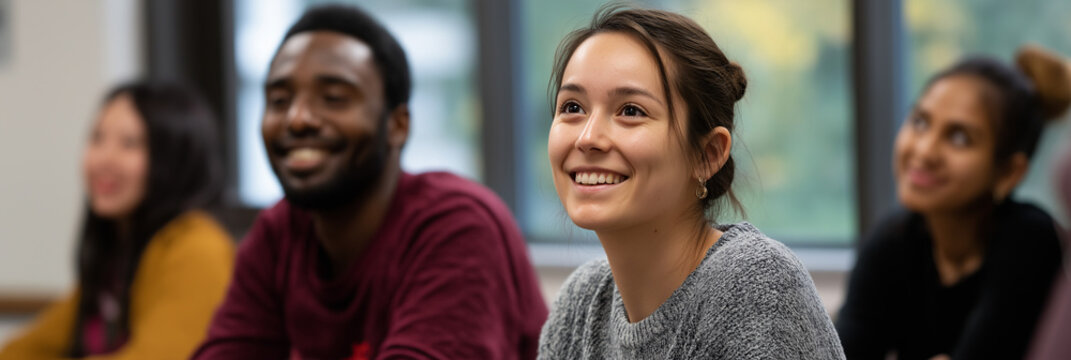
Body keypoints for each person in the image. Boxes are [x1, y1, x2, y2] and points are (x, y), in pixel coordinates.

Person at [193, 4, 547, 360]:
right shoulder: (279, 232)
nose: (298, 119)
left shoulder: (458, 226)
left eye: (333, 98)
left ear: (398, 125)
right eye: (279, 100)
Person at [537, 6, 844, 359]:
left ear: (708, 155)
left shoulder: (751, 284)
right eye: (572, 107)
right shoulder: (581, 304)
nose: (588, 137)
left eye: (631, 111)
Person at [836, 45, 1071, 359]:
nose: (924, 151)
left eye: (959, 137)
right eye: (920, 121)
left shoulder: (1031, 240)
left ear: (1010, 172)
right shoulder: (891, 240)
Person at [0, 81, 235, 359]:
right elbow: (28, 348)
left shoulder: (198, 247)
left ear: (175, 158)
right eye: (97, 138)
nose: (104, 158)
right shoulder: (118, 255)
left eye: (129, 143)